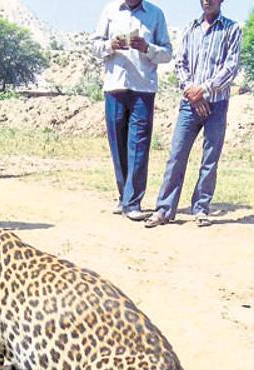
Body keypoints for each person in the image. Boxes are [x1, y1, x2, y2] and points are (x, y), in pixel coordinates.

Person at [145, 0, 241, 229]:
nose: (207, 1)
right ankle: (164, 209)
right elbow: (180, 64)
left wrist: (204, 90)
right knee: (177, 155)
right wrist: (192, 92)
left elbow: (231, 67)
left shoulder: (232, 29)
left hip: (216, 104)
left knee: (210, 158)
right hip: (190, 103)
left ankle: (201, 208)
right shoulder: (190, 28)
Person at [92, 0, 172, 221]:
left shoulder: (156, 14)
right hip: (114, 86)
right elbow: (95, 46)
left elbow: (167, 53)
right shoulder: (110, 10)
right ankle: (123, 196)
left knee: (138, 146)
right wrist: (111, 46)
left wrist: (147, 47)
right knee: (118, 145)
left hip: (143, 89)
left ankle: (133, 202)